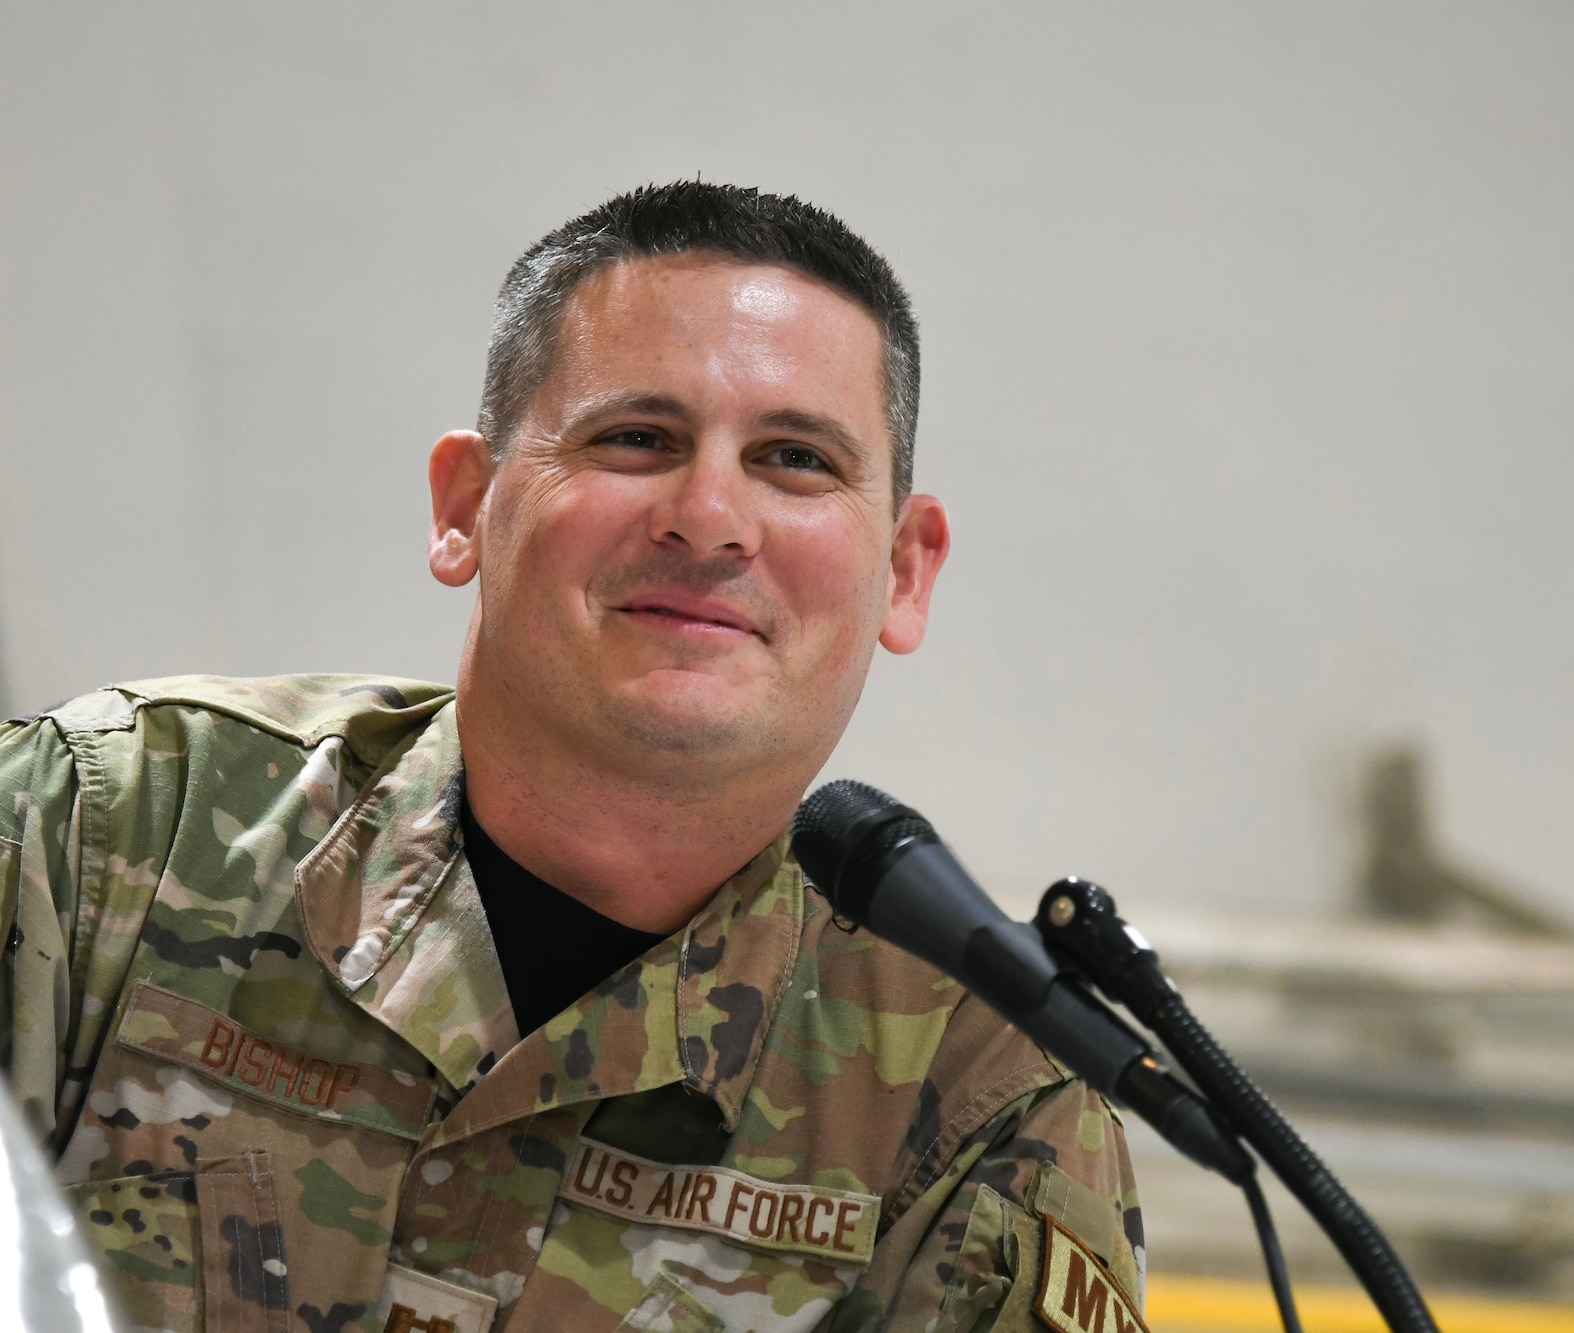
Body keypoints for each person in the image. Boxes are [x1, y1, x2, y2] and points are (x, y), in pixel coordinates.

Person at [0, 183, 1144, 1333]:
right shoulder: (110, 833)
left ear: (904, 570)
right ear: (465, 503)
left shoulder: (977, 1099)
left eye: (794, 458)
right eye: (636, 438)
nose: (709, 518)